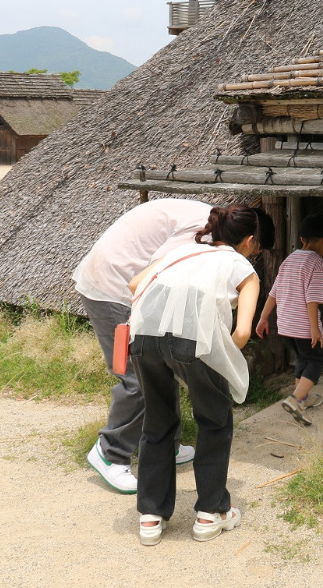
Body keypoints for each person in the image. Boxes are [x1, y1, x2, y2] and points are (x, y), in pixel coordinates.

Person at [126, 204, 265, 545]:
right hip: (194, 343)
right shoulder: (242, 267)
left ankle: (150, 517)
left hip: (143, 338)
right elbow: (243, 332)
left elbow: (134, 285)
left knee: (157, 423)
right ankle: (209, 513)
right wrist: (222, 355)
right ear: (249, 240)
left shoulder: (182, 252)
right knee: (214, 421)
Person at [73, 199, 219, 493]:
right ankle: (110, 452)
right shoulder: (204, 228)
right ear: (250, 240)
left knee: (163, 367)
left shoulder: (209, 222)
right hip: (112, 287)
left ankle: (169, 444)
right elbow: (161, 267)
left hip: (129, 284)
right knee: (136, 378)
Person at [255, 214, 323, 426]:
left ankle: (304, 399)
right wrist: (315, 328)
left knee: (302, 358)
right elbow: (313, 299)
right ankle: (295, 399)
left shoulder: (289, 260)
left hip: (285, 326)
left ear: (301, 239)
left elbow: (274, 292)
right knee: (318, 359)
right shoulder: (318, 263)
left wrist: (263, 318)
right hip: (304, 326)